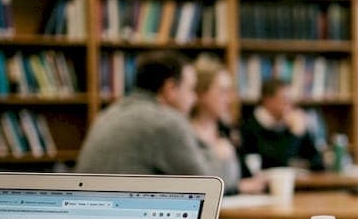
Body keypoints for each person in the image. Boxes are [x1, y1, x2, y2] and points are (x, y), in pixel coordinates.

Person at [76, 50, 211, 176]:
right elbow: (209, 181)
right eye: (191, 89)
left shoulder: (106, 115)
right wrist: (223, 152)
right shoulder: (166, 123)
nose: (194, 98)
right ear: (170, 89)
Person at [190, 56, 265, 195]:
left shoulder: (228, 130)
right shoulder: (185, 133)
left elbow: (249, 176)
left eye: (230, 91)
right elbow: (194, 188)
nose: (229, 99)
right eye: (222, 91)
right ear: (201, 93)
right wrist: (238, 188)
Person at [239, 78, 324, 171]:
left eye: (291, 99)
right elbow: (275, 162)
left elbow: (318, 162)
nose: (290, 104)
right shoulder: (250, 127)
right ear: (268, 100)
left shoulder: (293, 121)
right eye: (285, 99)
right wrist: (295, 134)